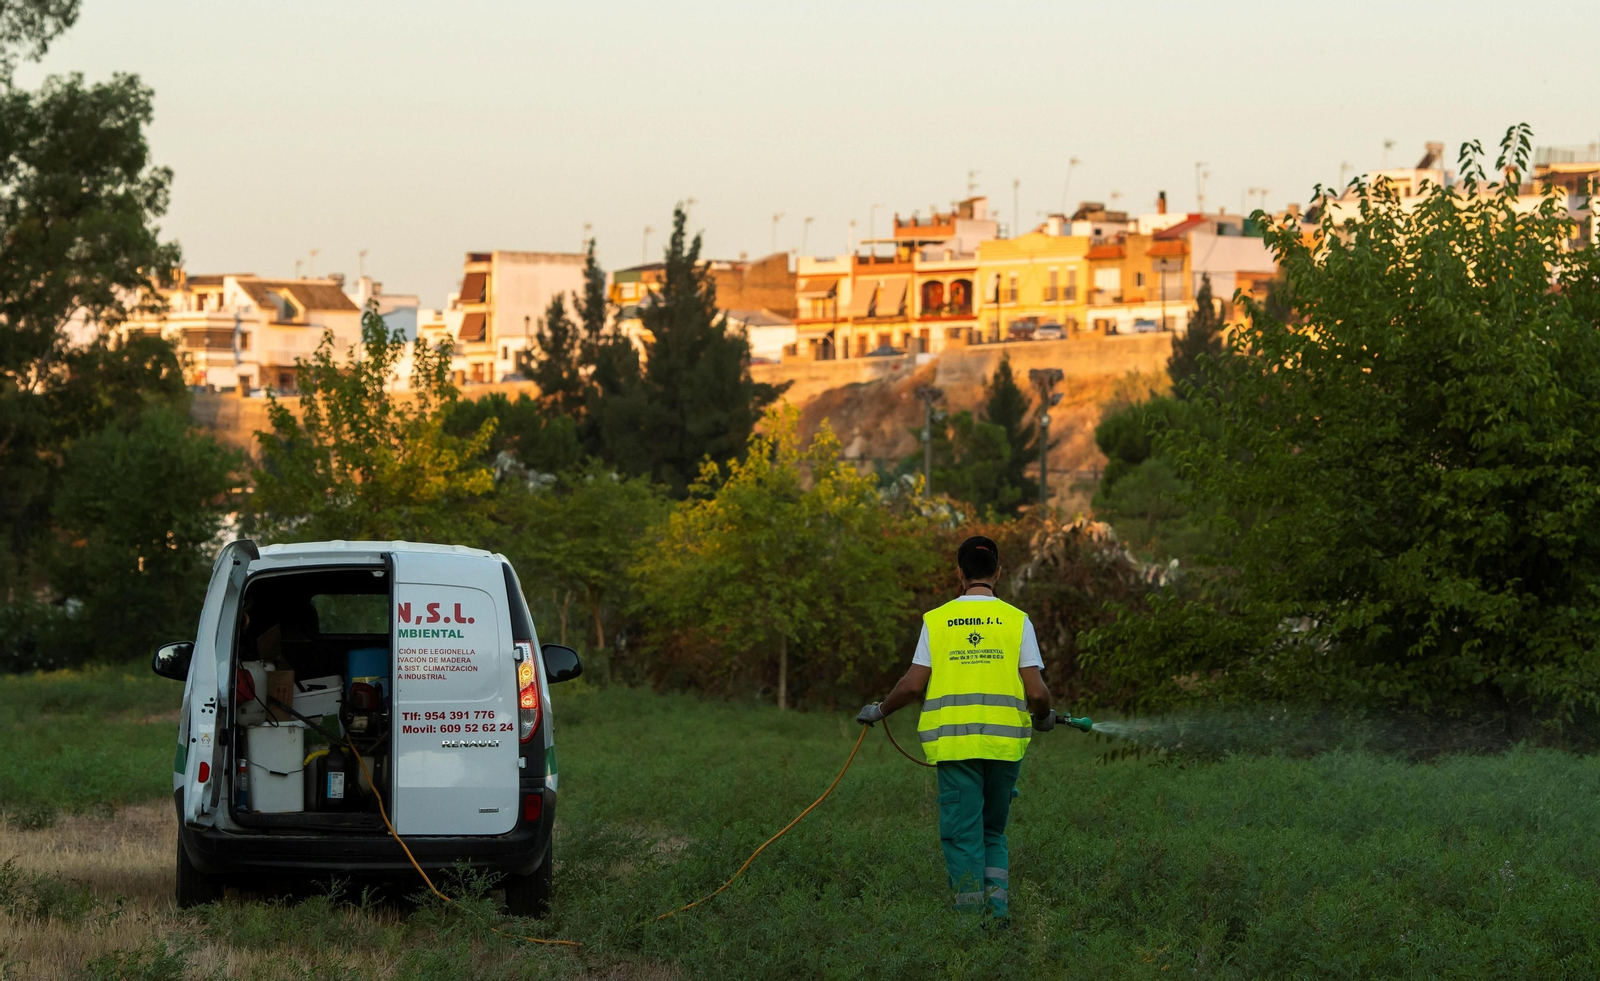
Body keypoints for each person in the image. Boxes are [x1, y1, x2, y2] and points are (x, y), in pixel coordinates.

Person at [855, 535, 1054, 923]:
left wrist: (880, 710)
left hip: (956, 747)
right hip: (1003, 747)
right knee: (992, 833)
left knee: (963, 836)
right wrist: (1044, 716)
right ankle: (996, 917)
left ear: (959, 573)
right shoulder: (1017, 621)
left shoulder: (939, 619)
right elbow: (1036, 691)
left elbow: (913, 686)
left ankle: (969, 926)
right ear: (998, 572)